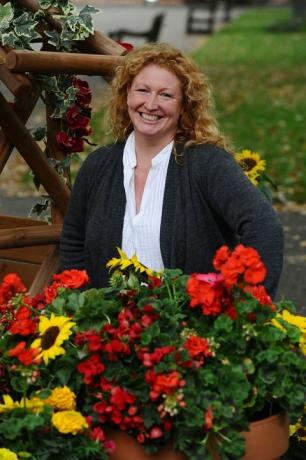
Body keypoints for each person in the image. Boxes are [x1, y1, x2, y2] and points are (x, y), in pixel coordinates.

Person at [59, 43, 283, 298]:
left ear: (184, 106)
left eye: (166, 95)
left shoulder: (207, 163)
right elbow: (73, 243)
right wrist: (76, 308)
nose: (151, 104)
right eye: (142, 90)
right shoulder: (99, 166)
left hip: (188, 330)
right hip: (110, 330)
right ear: (126, 96)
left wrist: (244, 307)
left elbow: (264, 227)